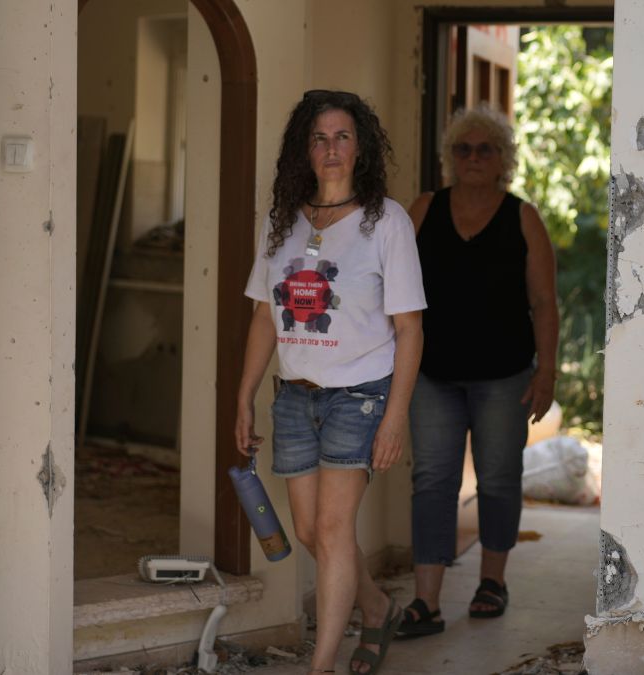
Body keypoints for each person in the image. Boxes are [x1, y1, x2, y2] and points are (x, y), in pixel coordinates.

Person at [236, 90, 425, 675]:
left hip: (361, 395)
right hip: (295, 395)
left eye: (343, 136)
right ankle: (376, 606)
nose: (332, 148)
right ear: (304, 149)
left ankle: (320, 667)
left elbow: (410, 330)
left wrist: (395, 416)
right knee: (311, 531)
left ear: (361, 146)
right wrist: (243, 397)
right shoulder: (282, 222)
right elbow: (265, 315)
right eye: (319, 137)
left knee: (335, 527)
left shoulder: (386, 221)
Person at [397, 105, 558, 638]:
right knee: (432, 483)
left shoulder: (522, 217)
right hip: (431, 375)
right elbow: (391, 289)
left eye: (484, 149)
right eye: (462, 149)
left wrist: (546, 373)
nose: (472, 158)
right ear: (450, 158)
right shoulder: (422, 209)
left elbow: (544, 303)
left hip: (504, 375)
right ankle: (426, 602)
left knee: (497, 479)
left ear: (502, 160)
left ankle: (492, 582)